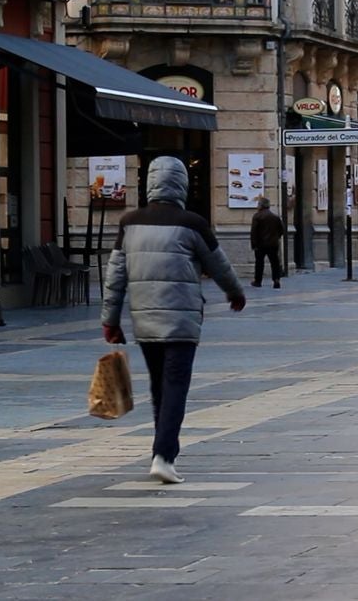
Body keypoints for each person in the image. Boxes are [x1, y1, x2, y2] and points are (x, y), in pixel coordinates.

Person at [101, 156, 246, 484]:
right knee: (176, 385)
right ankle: (164, 455)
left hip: (145, 321)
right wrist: (235, 293)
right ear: (181, 183)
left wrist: (110, 320)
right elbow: (219, 264)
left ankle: (160, 451)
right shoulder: (192, 223)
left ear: (150, 182)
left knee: (158, 387)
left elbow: (115, 276)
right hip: (182, 322)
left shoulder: (129, 222)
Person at [250, 196, 284, 289]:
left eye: (258, 204)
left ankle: (258, 281)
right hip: (273, 244)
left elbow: (254, 232)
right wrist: (276, 238)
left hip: (260, 244)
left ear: (261, 206)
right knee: (274, 262)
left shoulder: (257, 216)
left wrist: (253, 244)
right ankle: (276, 280)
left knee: (259, 263)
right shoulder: (275, 217)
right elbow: (281, 230)